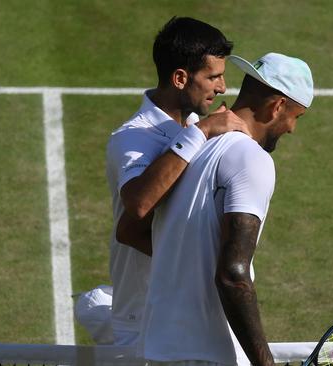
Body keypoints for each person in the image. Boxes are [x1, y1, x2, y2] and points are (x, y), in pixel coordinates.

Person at [136, 53, 314, 366]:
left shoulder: (193, 143)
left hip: (162, 349)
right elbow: (234, 274)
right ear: (277, 107)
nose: (292, 129)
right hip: (210, 355)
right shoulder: (252, 159)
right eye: (296, 117)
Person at [104, 16, 249, 347]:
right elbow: (139, 204)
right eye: (213, 76)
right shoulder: (132, 138)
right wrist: (202, 133)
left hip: (186, 312)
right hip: (142, 322)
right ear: (181, 78)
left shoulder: (196, 123)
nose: (223, 87)